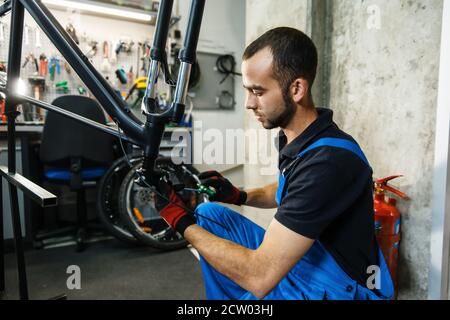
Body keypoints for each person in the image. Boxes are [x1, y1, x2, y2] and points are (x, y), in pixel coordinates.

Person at [155, 27, 394, 300]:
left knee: (254, 279)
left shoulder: (328, 163)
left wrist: (180, 221)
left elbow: (260, 276)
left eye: (258, 91)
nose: (248, 103)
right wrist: (239, 195)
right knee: (211, 216)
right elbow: (286, 191)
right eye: (247, 90)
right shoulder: (295, 137)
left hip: (341, 284)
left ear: (296, 89)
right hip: (308, 257)